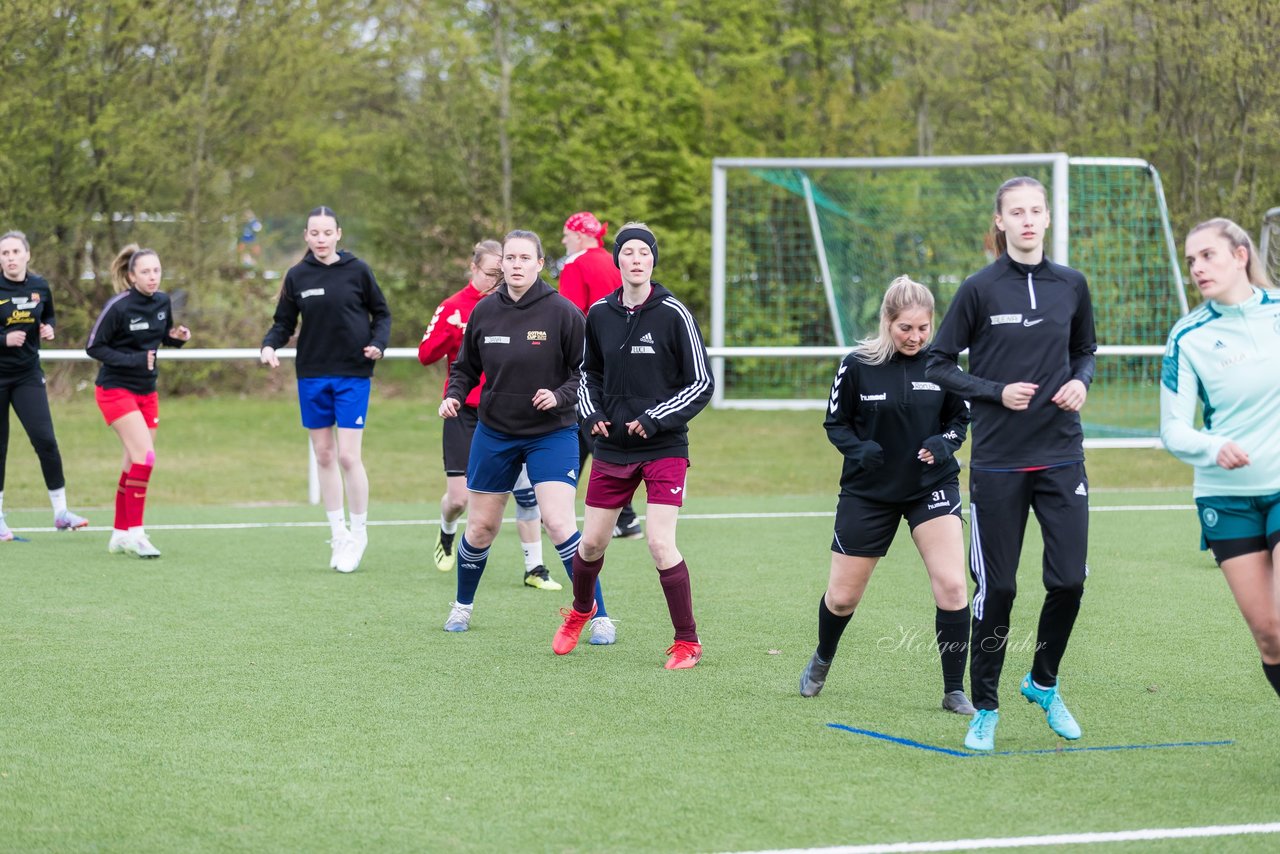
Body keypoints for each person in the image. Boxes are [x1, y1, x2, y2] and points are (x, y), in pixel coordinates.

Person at [926, 176, 1096, 752]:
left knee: (1069, 579)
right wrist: (996, 391)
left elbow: (1086, 351)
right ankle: (987, 708)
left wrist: (1079, 382)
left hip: (1060, 454)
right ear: (999, 222)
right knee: (997, 588)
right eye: (1015, 212)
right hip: (998, 460)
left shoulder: (1072, 285)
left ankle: (1043, 682)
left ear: (1047, 219)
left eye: (1035, 211)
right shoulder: (979, 289)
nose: (1026, 220)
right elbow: (939, 363)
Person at [799, 276, 974, 712]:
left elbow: (960, 420)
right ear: (887, 322)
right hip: (869, 492)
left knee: (953, 587)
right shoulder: (857, 364)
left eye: (923, 328)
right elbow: (835, 423)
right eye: (905, 328)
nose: (915, 337)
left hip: (930, 487)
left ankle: (954, 690)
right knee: (841, 598)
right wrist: (860, 449)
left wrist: (944, 442)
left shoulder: (944, 364)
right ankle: (822, 657)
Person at [438, 229, 613, 642]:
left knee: (558, 522)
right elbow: (464, 368)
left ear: (539, 263)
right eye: (510, 259)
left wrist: (559, 395)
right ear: (502, 265)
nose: (516, 265)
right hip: (495, 431)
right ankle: (462, 606)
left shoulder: (564, 312)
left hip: (550, 434)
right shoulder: (485, 312)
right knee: (480, 528)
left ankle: (599, 614)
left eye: (524, 258)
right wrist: (455, 397)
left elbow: (587, 374)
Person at [557, 223, 712, 667]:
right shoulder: (600, 313)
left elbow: (702, 382)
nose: (637, 259)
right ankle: (582, 610)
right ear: (618, 260)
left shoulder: (674, 313)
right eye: (629, 253)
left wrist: (654, 418)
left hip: (664, 447)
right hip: (613, 449)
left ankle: (687, 642)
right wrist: (592, 415)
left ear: (652, 260)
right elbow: (589, 375)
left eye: (644, 252)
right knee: (590, 545)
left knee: (660, 544)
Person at [1161, 218, 1280, 703]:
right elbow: (1172, 429)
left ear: (1240, 255)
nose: (1197, 268)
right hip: (1225, 497)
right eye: (1191, 260)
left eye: (1207, 255)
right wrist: (1213, 447)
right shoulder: (1187, 336)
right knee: (1270, 634)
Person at [418, 239, 560, 590]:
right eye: (492, 271)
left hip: (508, 413)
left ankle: (535, 568)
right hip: (465, 413)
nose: (500, 276)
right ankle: (447, 531)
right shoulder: (455, 307)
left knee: (527, 495)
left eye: (506, 268)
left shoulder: (521, 307)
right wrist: (454, 330)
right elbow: (426, 355)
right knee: (459, 499)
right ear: (474, 269)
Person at [261, 206, 391, 573]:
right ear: (306, 236)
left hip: (352, 374)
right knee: (323, 455)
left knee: (349, 456)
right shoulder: (297, 276)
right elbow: (283, 323)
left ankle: (360, 531)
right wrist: (269, 345)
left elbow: (382, 314)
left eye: (327, 232)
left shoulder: (358, 270)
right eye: (314, 233)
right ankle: (339, 534)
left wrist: (378, 344)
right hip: (312, 375)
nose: (320, 239)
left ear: (338, 234)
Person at [85, 245, 192, 557]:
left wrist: (178, 339)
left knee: (134, 461)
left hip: (148, 393)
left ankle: (119, 533)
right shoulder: (118, 307)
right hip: (115, 391)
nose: (152, 277)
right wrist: (134, 360)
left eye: (156, 270)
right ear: (132, 276)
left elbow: (160, 339)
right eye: (145, 271)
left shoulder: (162, 301)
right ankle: (136, 533)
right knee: (145, 458)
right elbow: (94, 347)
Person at [0, 231, 90, 541]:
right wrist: (4, 339)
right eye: (4, 253)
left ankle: (61, 513)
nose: (10, 258)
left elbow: (48, 314)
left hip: (26, 375)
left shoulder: (40, 286)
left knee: (46, 440)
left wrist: (48, 327)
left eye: (15, 251)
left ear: (27, 254)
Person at [559, 211, 642, 540]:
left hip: (590, 359)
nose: (563, 241)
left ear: (579, 235)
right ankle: (555, 503)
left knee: (593, 426)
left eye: (566, 234)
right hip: (624, 356)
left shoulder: (576, 263)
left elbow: (569, 314)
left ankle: (626, 515)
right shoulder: (613, 262)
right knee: (580, 431)